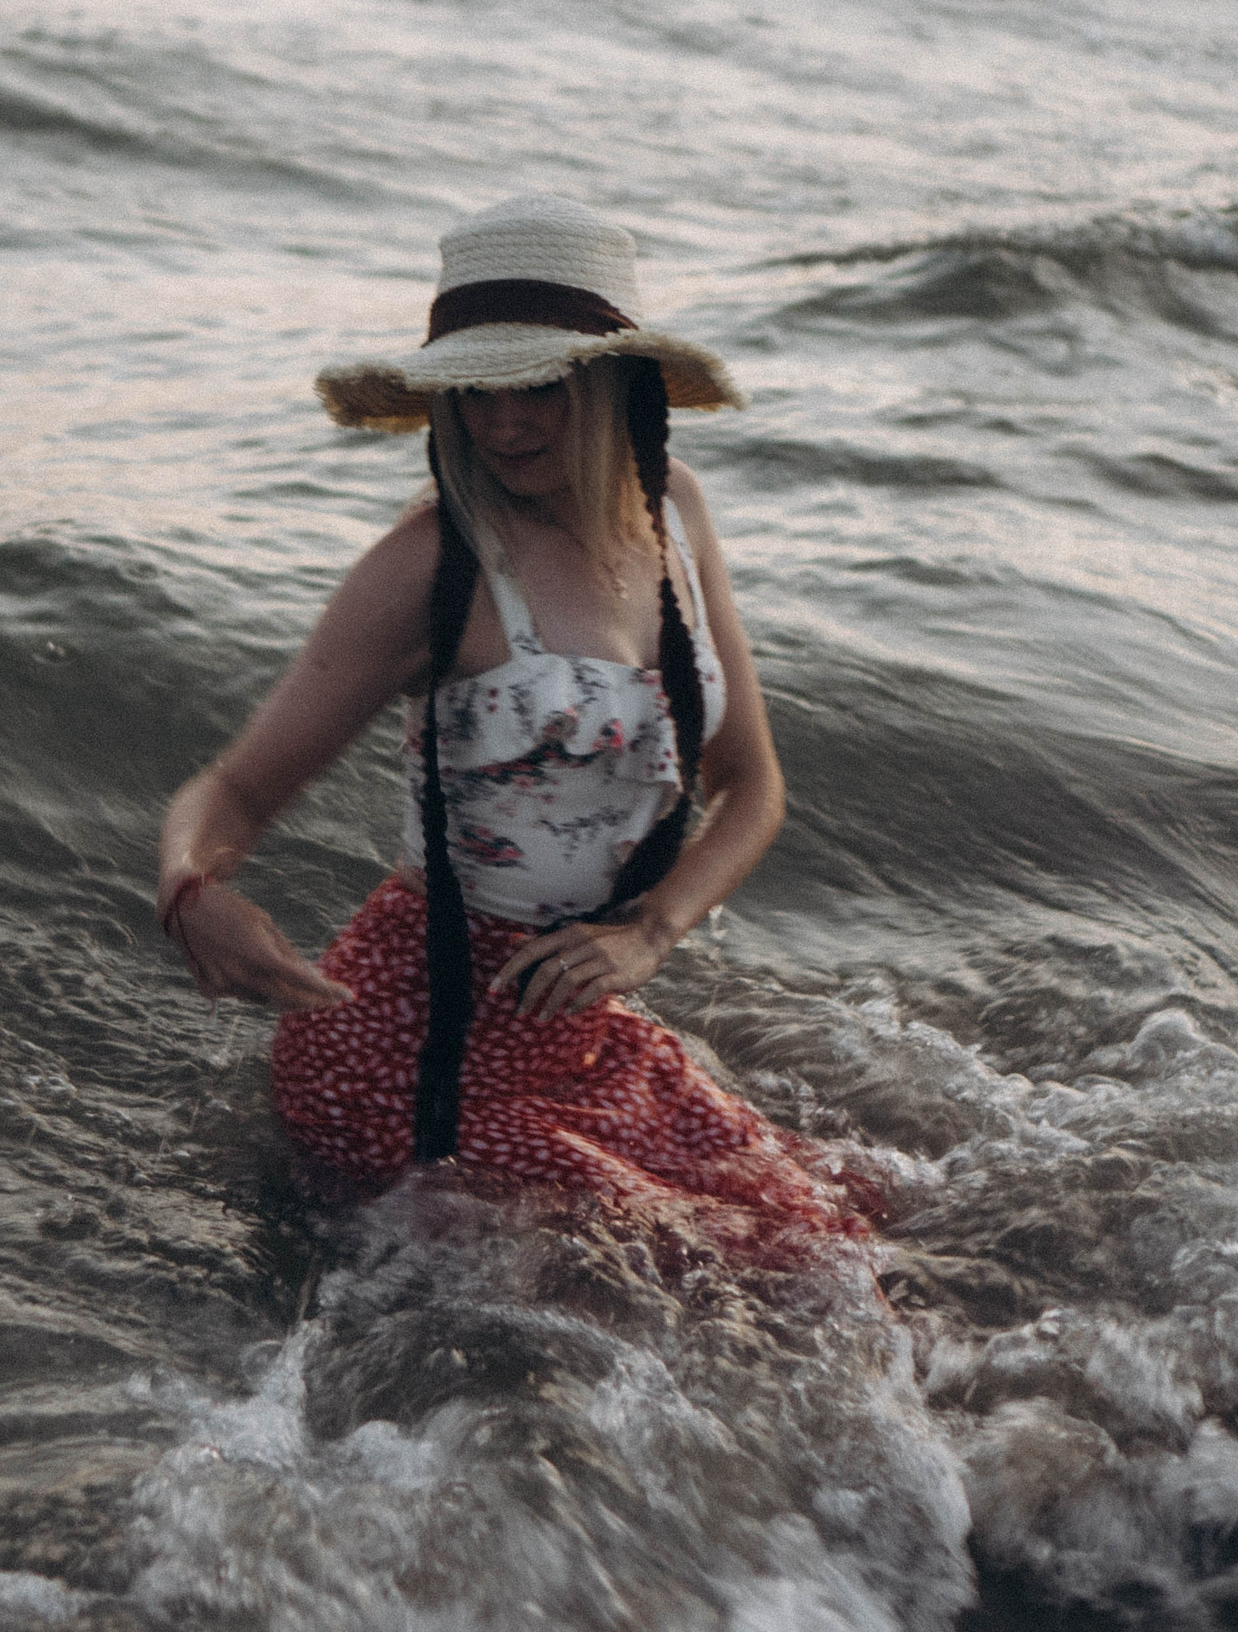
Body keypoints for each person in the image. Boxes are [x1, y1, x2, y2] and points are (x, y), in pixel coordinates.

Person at [157, 195, 882, 1243]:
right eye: (474, 393)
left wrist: (648, 932)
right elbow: (235, 789)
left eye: (535, 386)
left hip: (573, 1027)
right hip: (407, 1053)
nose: (502, 423)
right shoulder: (432, 565)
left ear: (613, 379)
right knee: (768, 1278)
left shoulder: (671, 506)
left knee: (856, 1230)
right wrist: (190, 887)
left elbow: (751, 785)